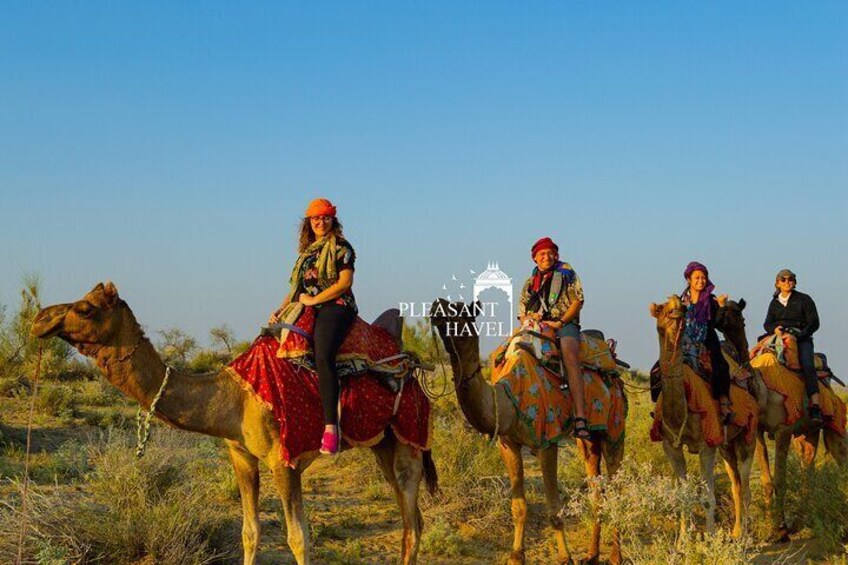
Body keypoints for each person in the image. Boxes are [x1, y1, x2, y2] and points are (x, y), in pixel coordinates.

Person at [268, 198, 357, 455]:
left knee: (323, 354)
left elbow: (345, 283)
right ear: (309, 222)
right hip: (308, 305)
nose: (321, 222)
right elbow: (296, 289)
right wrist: (280, 309)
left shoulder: (342, 247)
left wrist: (316, 300)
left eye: (325, 218)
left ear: (333, 220)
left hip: (336, 305)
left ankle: (331, 427)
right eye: (316, 218)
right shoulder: (306, 254)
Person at [517, 237, 589, 439]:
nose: (546, 257)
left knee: (568, 352)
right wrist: (530, 320)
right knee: (517, 352)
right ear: (535, 259)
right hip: (537, 326)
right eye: (542, 254)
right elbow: (522, 311)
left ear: (556, 255)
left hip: (564, 324)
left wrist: (559, 322)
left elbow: (578, 301)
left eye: (550, 253)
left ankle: (580, 417)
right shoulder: (530, 282)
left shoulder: (567, 273)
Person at [763, 269, 822, 424]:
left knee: (808, 365)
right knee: (757, 359)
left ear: (794, 282)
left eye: (790, 279)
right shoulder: (774, 303)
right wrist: (773, 330)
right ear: (777, 283)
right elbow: (767, 323)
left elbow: (814, 322)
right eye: (783, 279)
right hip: (778, 338)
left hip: (801, 338)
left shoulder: (804, 300)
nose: (787, 281)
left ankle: (815, 405)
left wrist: (799, 335)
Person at [679, 261, 733, 423]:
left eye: (703, 278)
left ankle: (724, 403)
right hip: (684, 339)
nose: (701, 281)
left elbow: (718, 324)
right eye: (697, 278)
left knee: (721, 365)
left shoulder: (711, 300)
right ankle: (661, 409)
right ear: (689, 279)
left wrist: (722, 307)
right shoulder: (680, 301)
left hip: (707, 339)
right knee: (660, 368)